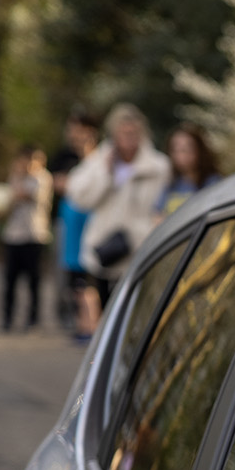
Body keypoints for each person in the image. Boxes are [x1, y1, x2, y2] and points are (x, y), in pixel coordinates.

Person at [64, 103, 171, 340]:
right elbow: (80, 197)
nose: (129, 139)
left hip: (138, 250)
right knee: (105, 320)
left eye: (134, 133)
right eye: (124, 133)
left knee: (133, 320)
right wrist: (106, 173)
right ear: (114, 133)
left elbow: (162, 206)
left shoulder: (158, 166)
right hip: (105, 250)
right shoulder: (101, 160)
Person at [47, 110, 99, 334]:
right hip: (66, 222)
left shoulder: (97, 157)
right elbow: (53, 182)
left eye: (78, 129)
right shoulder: (62, 155)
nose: (73, 134)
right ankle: (68, 314)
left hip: (91, 223)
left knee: (88, 274)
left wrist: (70, 184)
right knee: (65, 271)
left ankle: (87, 320)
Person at [0, 145, 53, 332]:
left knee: (34, 281)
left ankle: (33, 318)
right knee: (10, 281)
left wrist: (18, 182)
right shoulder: (15, 177)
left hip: (35, 236)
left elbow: (26, 195)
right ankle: (7, 318)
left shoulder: (42, 178)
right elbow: (3, 203)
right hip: (14, 236)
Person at [155, 124, 222, 218]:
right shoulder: (171, 184)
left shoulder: (212, 183)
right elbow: (157, 215)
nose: (181, 154)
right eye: (176, 149)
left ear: (199, 150)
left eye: (186, 149)